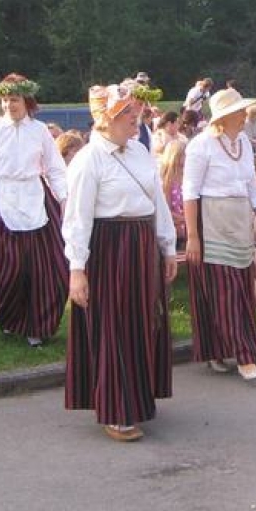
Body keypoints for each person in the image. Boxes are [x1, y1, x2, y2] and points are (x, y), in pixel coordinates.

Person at [62, 82, 178, 442]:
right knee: (114, 327)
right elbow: (77, 219)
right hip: (109, 251)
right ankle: (116, 408)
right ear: (106, 119)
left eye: (136, 113)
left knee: (142, 323)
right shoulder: (88, 160)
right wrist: (77, 270)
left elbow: (156, 201)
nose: (136, 118)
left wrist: (167, 245)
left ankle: (138, 400)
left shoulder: (140, 152)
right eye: (128, 113)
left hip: (142, 247)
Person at [0, 73, 69, 347]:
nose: (9, 105)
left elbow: (55, 167)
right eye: (5, 100)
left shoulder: (40, 131)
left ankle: (39, 324)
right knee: (11, 266)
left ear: (27, 101)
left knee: (49, 265)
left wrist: (65, 200)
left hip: (35, 194)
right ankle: (11, 319)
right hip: (2, 196)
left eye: (15, 99)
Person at [183, 88, 256, 381]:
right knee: (221, 290)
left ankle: (227, 350)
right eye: (239, 112)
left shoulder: (245, 143)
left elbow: (251, 186)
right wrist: (193, 236)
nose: (244, 116)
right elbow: (190, 192)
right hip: (212, 221)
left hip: (238, 221)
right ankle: (243, 356)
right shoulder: (201, 145)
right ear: (225, 117)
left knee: (240, 286)